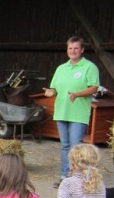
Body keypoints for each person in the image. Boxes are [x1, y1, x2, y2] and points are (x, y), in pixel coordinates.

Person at [43, 36, 100, 185]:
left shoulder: (89, 67)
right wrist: (50, 92)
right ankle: (65, 177)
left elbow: (94, 88)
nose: (73, 51)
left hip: (78, 114)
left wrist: (77, 94)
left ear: (82, 50)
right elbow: (55, 89)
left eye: (76, 48)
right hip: (62, 112)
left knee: (76, 147)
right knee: (65, 147)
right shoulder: (61, 68)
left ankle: (78, 178)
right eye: (70, 48)